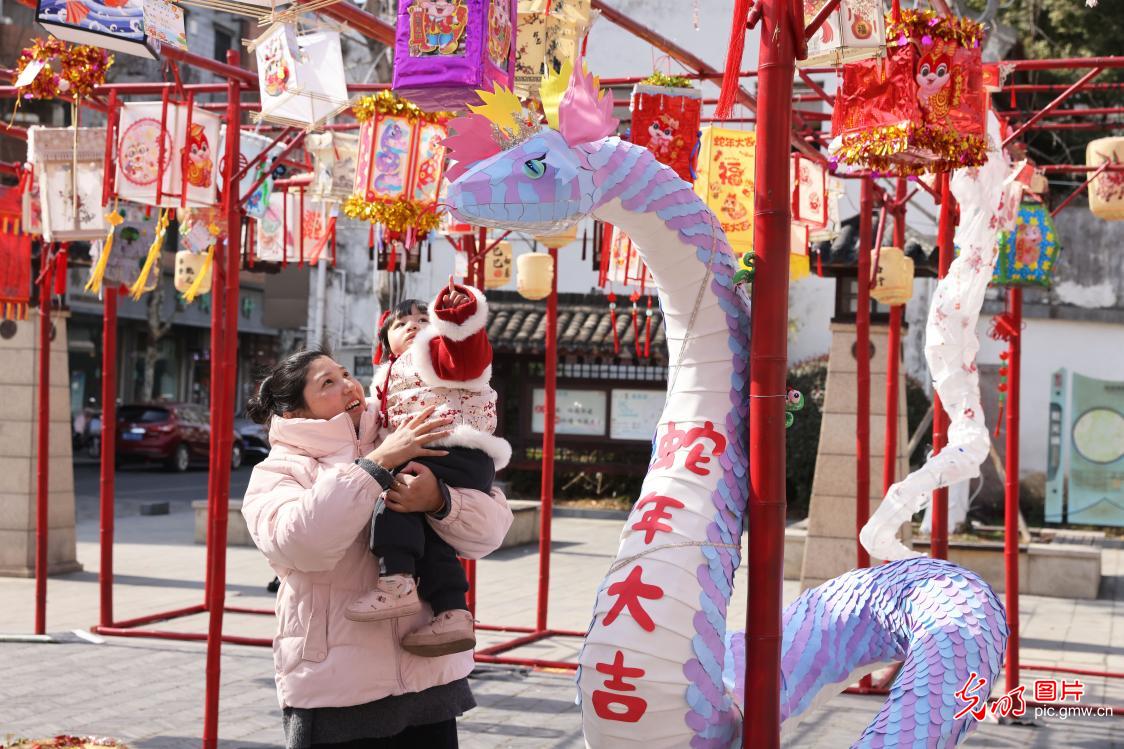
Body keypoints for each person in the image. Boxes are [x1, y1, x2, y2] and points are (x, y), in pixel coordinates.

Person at [242, 346, 513, 749]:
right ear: (296, 413)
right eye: (327, 383)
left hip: (427, 677)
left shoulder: (404, 432)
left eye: (345, 373)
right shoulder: (280, 470)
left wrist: (441, 501)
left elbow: (488, 535)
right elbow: (302, 543)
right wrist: (376, 465)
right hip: (337, 686)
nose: (348, 385)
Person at [349, 282, 510, 658]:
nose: (414, 325)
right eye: (401, 322)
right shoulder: (387, 376)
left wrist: (457, 319)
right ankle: (453, 611)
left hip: (453, 449)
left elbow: (467, 355)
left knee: (393, 490)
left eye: (423, 318)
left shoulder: (436, 352)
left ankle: (395, 580)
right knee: (430, 534)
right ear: (385, 342)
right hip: (451, 457)